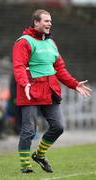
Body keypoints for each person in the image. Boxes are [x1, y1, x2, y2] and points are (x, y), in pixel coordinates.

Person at [12, 9, 92, 174]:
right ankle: (25, 167)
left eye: (50, 21)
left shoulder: (51, 43)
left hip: (50, 91)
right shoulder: (23, 42)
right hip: (30, 91)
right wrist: (24, 83)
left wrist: (74, 84)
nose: (50, 24)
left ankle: (39, 155)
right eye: (46, 21)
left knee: (58, 127)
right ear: (36, 22)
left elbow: (60, 69)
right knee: (29, 130)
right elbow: (19, 66)